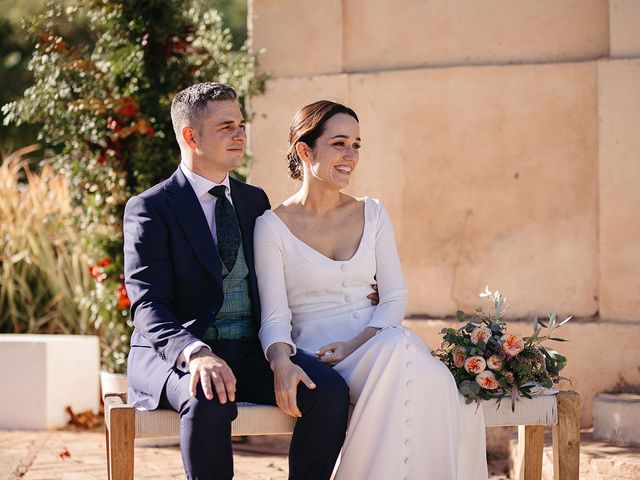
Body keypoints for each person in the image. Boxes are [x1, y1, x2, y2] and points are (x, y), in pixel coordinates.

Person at [123, 83, 354, 480]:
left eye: (241, 124)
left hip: (248, 353)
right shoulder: (151, 207)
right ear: (190, 136)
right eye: (226, 126)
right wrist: (196, 354)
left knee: (328, 391)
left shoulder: (253, 200)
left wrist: (350, 288)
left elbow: (280, 275)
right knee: (208, 397)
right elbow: (147, 304)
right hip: (174, 355)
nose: (240, 135)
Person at [253, 100, 489, 480]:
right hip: (321, 350)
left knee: (425, 372)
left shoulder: (373, 212)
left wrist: (356, 343)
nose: (351, 155)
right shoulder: (271, 226)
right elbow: (275, 317)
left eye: (357, 145)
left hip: (374, 339)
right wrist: (282, 361)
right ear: (304, 149)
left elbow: (394, 297)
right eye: (340, 144)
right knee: (412, 364)